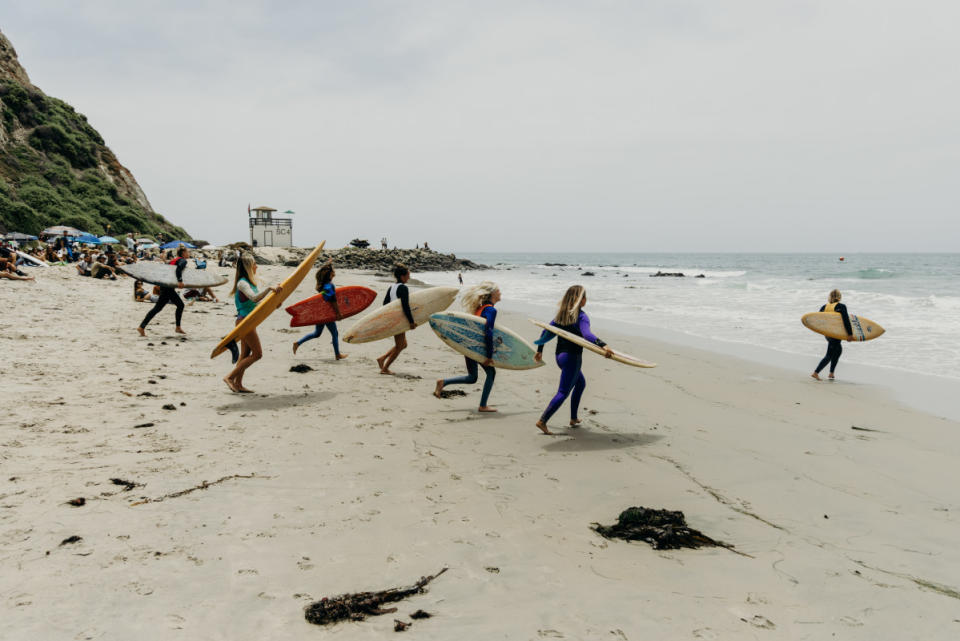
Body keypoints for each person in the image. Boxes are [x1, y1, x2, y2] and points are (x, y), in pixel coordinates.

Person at [533, 285, 613, 435]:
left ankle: (573, 418)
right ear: (579, 299)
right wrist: (604, 346)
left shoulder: (562, 315)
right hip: (572, 358)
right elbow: (587, 335)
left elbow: (546, 331)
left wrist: (540, 351)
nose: (586, 300)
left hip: (560, 357)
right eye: (584, 297)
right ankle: (542, 421)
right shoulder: (581, 316)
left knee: (580, 383)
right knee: (563, 391)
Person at [433, 281, 499, 412]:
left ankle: (443, 382)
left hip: (468, 346)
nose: (500, 293)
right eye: (498, 291)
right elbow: (488, 331)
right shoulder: (491, 310)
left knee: (472, 377)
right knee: (491, 373)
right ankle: (483, 405)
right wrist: (489, 355)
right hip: (478, 348)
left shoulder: (479, 309)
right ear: (492, 294)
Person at [223, 252, 279, 393]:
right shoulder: (242, 283)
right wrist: (269, 289)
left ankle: (238, 384)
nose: (256, 266)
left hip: (248, 321)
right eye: (254, 264)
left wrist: (274, 303)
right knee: (257, 354)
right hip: (244, 322)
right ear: (249, 266)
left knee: (244, 355)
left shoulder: (250, 283)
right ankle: (229, 377)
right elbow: (254, 298)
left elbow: (257, 304)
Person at [292, 260, 348, 360]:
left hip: (320, 312)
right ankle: (337, 355)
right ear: (330, 274)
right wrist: (338, 313)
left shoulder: (322, 284)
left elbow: (324, 299)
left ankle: (297, 343)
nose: (335, 273)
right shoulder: (330, 285)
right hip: (327, 314)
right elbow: (333, 300)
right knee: (335, 333)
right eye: (333, 271)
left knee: (317, 333)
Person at [137, 246, 189, 336]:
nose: (188, 254)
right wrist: (180, 281)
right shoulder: (183, 260)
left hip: (165, 285)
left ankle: (141, 327)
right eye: (187, 252)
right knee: (180, 305)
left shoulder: (174, 260)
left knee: (158, 308)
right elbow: (179, 269)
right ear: (183, 253)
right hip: (168, 287)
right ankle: (178, 327)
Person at [376, 264, 416, 375]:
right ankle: (385, 368)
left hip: (394, 319)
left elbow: (385, 304)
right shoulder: (403, 288)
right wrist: (411, 322)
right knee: (400, 346)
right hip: (399, 320)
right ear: (402, 276)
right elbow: (405, 306)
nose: (409, 277)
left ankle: (382, 358)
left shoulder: (392, 287)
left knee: (404, 344)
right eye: (408, 275)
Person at [811, 289, 854, 381]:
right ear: (839, 296)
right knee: (829, 354)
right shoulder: (841, 306)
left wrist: (823, 331)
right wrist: (850, 334)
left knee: (838, 350)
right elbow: (846, 321)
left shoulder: (824, 307)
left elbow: (818, 320)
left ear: (830, 297)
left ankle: (831, 373)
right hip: (836, 333)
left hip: (828, 334)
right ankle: (816, 372)